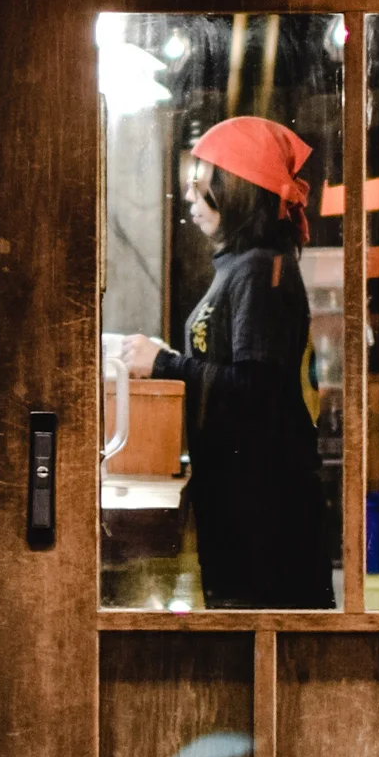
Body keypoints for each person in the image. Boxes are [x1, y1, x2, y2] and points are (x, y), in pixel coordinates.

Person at [122, 116, 333, 609]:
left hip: (266, 510)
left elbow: (254, 390)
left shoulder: (262, 269)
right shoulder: (243, 266)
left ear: (236, 189)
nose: (190, 200)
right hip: (241, 500)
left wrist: (165, 364)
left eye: (200, 187)